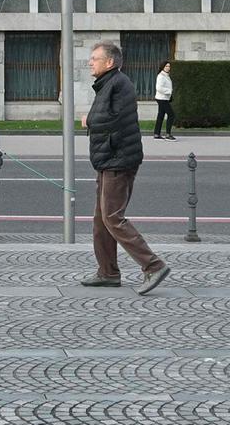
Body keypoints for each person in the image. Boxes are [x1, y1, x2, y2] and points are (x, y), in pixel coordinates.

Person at [81, 41, 171, 293]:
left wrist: (89, 120)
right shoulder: (107, 84)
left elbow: (113, 118)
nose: (90, 62)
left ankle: (153, 266)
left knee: (112, 217)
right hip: (109, 159)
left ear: (109, 62)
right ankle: (107, 272)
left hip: (119, 160)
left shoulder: (120, 84)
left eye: (95, 58)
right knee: (101, 221)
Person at [153, 62, 176, 140]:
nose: (168, 67)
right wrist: (169, 91)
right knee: (171, 114)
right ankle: (168, 134)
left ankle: (156, 133)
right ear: (163, 67)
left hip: (164, 98)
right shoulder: (161, 76)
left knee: (161, 115)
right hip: (162, 98)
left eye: (169, 66)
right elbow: (159, 88)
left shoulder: (166, 75)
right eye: (166, 66)